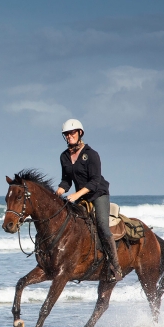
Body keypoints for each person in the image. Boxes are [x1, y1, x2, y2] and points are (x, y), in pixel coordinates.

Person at [55, 118, 123, 282]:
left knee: (102, 227)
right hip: (82, 195)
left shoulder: (91, 155)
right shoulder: (64, 157)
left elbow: (95, 181)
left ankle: (116, 267)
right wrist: (58, 191)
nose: (69, 136)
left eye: (72, 133)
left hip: (98, 193)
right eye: (66, 134)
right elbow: (66, 181)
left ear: (79, 133)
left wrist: (76, 195)